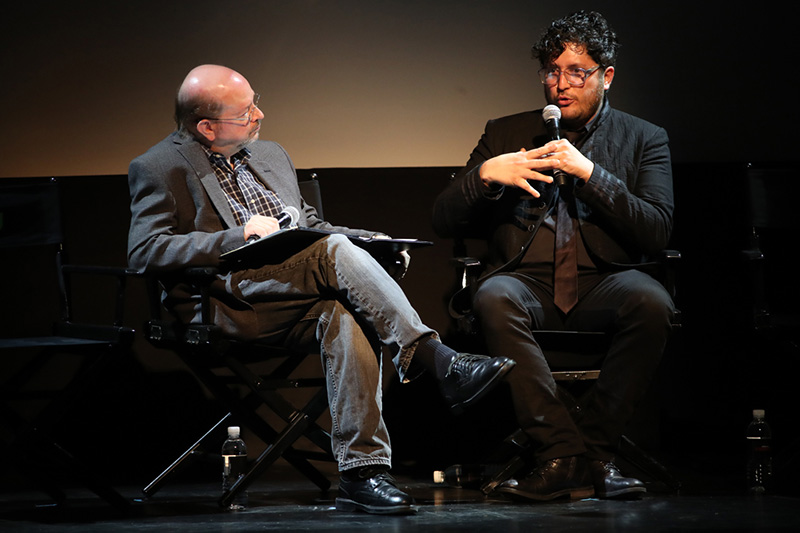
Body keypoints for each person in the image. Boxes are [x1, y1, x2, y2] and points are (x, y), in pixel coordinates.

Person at [127, 64, 515, 515]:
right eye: (246, 110)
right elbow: (145, 251)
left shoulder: (270, 155)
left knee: (346, 310)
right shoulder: (159, 166)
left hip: (295, 292)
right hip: (227, 301)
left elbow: (312, 228)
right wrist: (237, 237)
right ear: (207, 127)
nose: (259, 114)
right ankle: (439, 362)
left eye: (255, 101)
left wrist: (370, 243)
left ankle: (361, 473)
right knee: (333, 253)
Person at [433, 11, 675, 501]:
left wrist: (593, 175)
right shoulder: (504, 133)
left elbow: (656, 230)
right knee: (494, 296)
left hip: (606, 280)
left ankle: (591, 453)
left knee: (652, 302)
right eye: (551, 71)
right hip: (526, 281)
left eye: (576, 72)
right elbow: (442, 220)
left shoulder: (644, 138)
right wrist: (484, 177)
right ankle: (565, 454)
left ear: (606, 77)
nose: (560, 85)